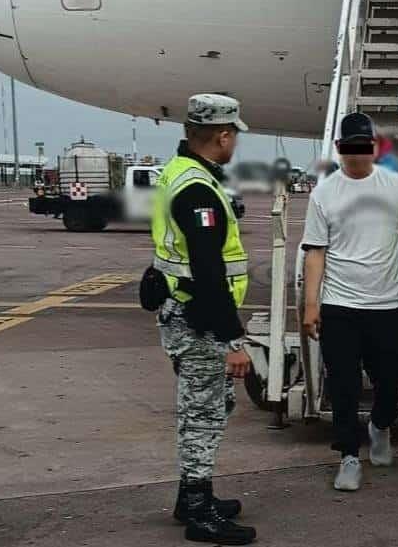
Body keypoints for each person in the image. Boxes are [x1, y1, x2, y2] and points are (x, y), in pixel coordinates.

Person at [152, 94, 256, 545]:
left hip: (185, 311)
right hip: (201, 319)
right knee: (203, 414)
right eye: (234, 137)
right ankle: (197, 511)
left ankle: (191, 496)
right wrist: (234, 339)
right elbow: (209, 271)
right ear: (223, 135)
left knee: (210, 407)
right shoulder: (199, 190)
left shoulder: (178, 173)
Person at [300, 112, 398, 492]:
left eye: (363, 146)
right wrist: (310, 305)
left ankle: (381, 424)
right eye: (349, 148)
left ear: (373, 147)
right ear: (339, 149)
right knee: (344, 385)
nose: (357, 154)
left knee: (395, 371)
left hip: (387, 303)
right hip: (340, 304)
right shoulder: (324, 193)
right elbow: (315, 252)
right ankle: (349, 456)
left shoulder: (397, 186)